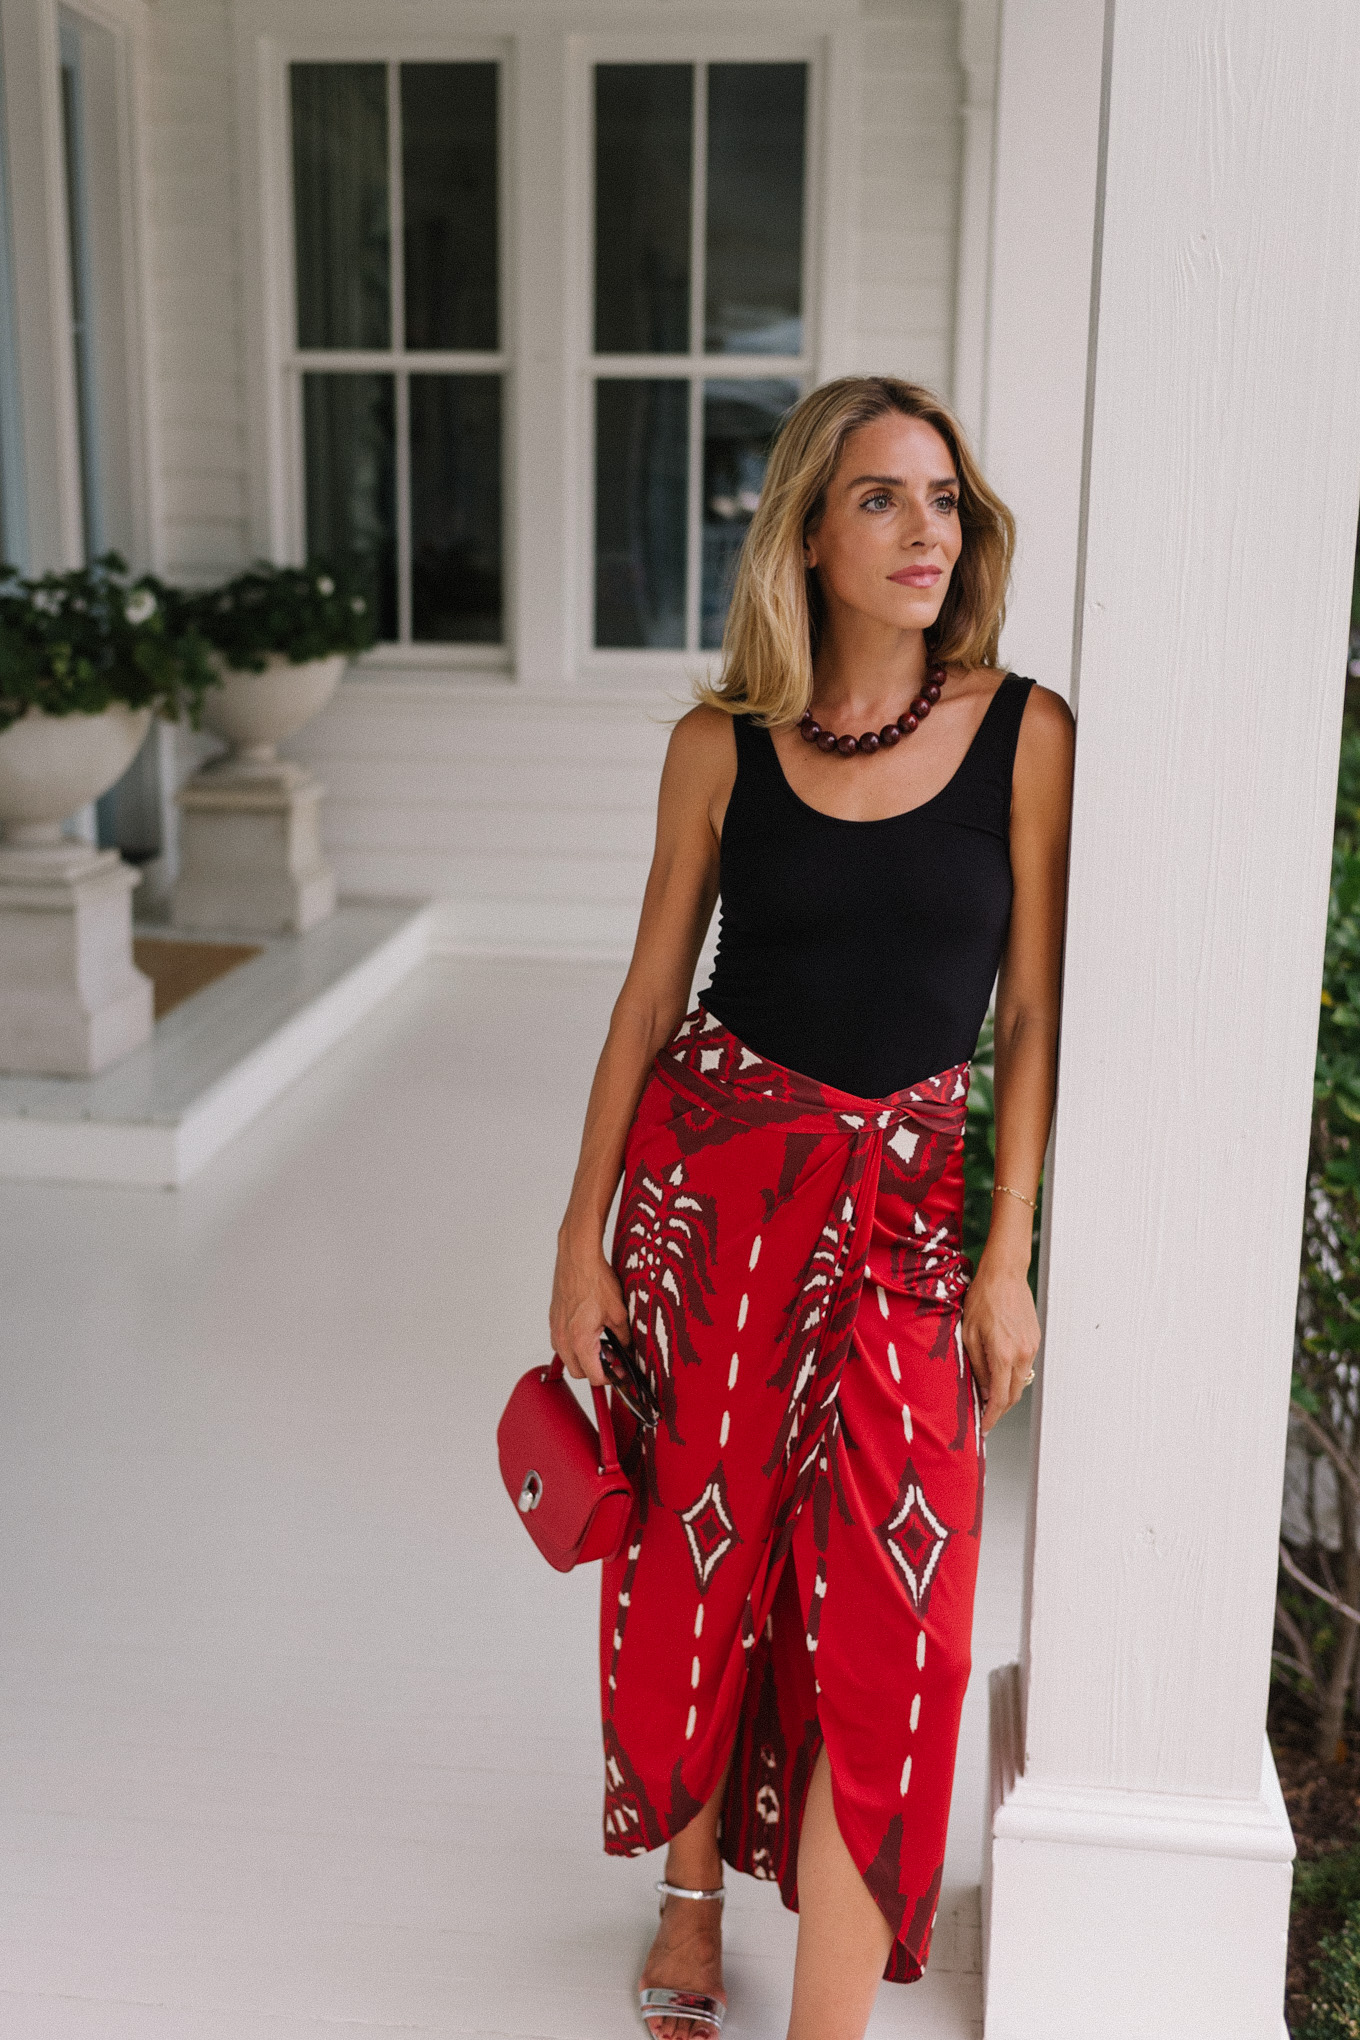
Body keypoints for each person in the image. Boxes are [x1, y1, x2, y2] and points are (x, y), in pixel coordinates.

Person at [548, 375, 1075, 2040]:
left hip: (914, 1234)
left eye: (944, 501)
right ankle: (693, 1901)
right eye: (881, 501)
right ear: (806, 536)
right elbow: (648, 1003)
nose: (927, 532)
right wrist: (579, 1243)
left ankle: (826, 2023)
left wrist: (1009, 1255)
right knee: (701, 1562)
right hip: (710, 1214)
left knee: (895, 1617)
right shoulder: (722, 748)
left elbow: (1033, 1018)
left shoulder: (1024, 733)